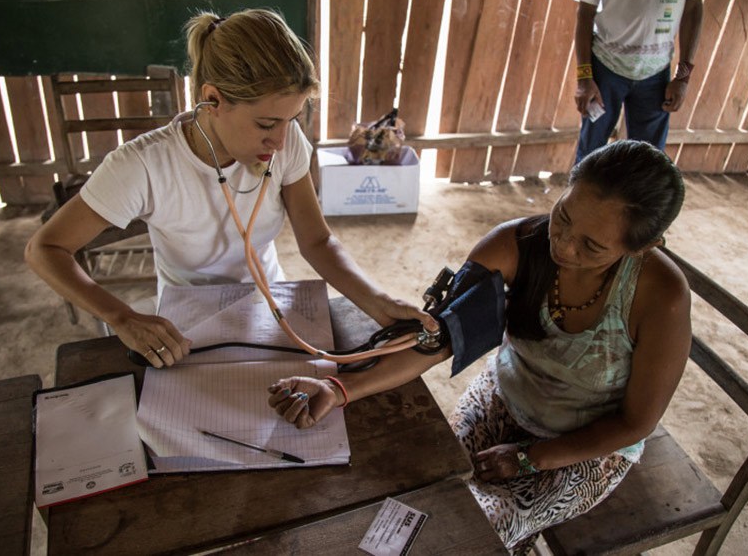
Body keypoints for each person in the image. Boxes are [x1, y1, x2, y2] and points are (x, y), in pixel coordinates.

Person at [268, 140, 691, 554]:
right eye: (563, 216)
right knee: (423, 489)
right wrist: (340, 389)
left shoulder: (660, 297)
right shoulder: (515, 246)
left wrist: (532, 458)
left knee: (465, 530)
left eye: (591, 246)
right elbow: (437, 340)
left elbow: (635, 423)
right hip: (504, 397)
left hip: (588, 445)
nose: (562, 244)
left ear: (641, 247)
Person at [26, 8, 435, 368]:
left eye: (291, 119)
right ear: (212, 99)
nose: (280, 141)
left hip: (267, 300)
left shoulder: (287, 143)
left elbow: (317, 242)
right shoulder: (143, 165)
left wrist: (377, 301)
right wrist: (122, 317)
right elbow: (44, 249)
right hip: (186, 317)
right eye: (265, 124)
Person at [573, 0, 711, 162]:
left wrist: (683, 78)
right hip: (605, 68)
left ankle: (636, 191)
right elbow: (585, 12)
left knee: (649, 160)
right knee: (589, 153)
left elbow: (693, 9)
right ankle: (584, 190)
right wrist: (584, 78)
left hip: (655, 74)